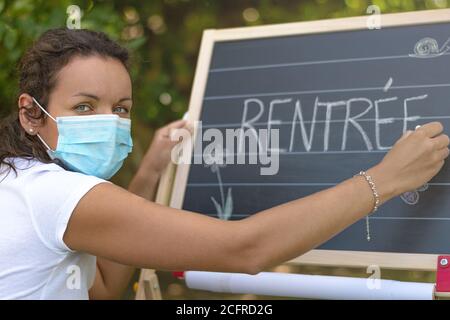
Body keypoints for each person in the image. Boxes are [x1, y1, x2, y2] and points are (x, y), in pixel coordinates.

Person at [0, 28, 448, 300]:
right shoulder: (54, 193)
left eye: (120, 109)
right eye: (84, 107)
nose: (109, 122)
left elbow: (100, 286)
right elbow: (244, 249)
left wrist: (152, 171)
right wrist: (384, 180)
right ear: (30, 112)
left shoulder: (19, 180)